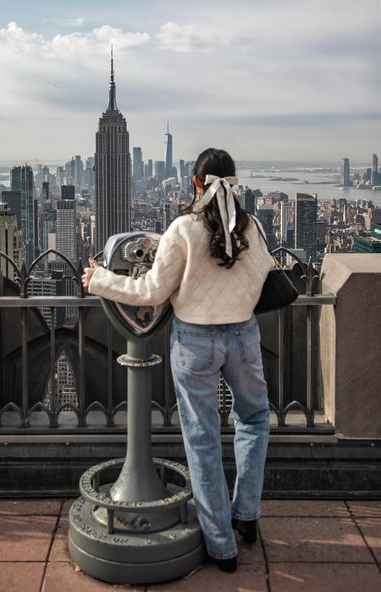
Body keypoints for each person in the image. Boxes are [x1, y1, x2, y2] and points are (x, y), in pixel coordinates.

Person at [82, 148, 274, 573]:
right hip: (243, 335)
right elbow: (265, 273)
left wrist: (99, 279)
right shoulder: (254, 226)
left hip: (196, 342)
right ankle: (246, 514)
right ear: (234, 183)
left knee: (203, 440)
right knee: (255, 420)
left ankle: (221, 547)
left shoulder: (183, 229)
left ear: (195, 183)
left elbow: (150, 290)